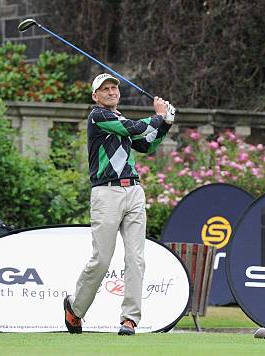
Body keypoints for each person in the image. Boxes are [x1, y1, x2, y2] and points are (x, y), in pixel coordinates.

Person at [63, 73, 175, 336]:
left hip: (134, 191)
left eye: (114, 88)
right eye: (105, 89)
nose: (112, 91)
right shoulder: (98, 117)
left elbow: (146, 145)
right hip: (107, 193)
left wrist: (166, 125)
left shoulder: (120, 119)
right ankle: (75, 309)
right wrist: (159, 115)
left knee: (136, 258)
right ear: (96, 96)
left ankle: (129, 319)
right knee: (102, 259)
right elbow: (136, 128)